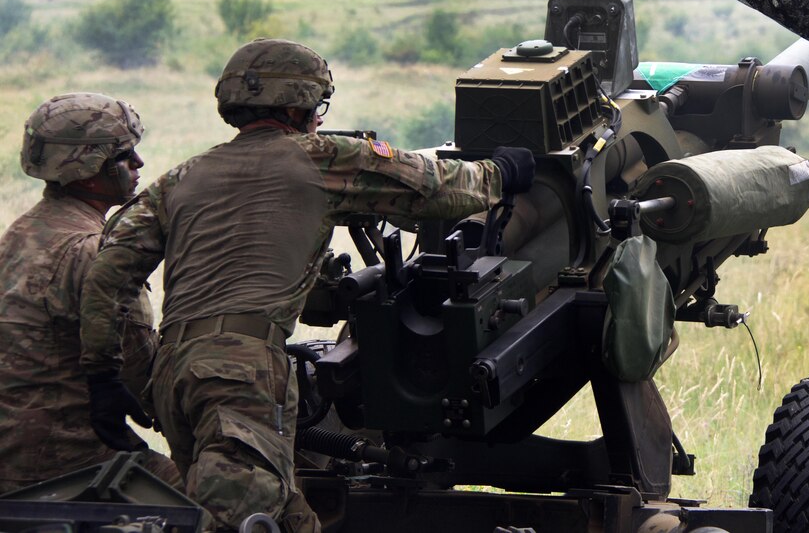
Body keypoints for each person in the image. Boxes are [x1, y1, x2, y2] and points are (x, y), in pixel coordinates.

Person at [79, 39, 534, 532]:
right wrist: (501, 173)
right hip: (243, 372)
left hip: (173, 375)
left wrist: (103, 374)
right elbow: (433, 188)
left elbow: (109, 271)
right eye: (317, 106)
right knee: (233, 520)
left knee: (284, 516)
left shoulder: (182, 177)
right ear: (297, 106)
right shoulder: (321, 159)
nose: (319, 118)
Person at [0, 92, 180, 493]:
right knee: (238, 506)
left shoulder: (19, 234)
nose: (139, 164)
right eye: (124, 156)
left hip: (14, 454)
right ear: (86, 169)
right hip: (72, 461)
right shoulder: (96, 253)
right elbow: (144, 377)